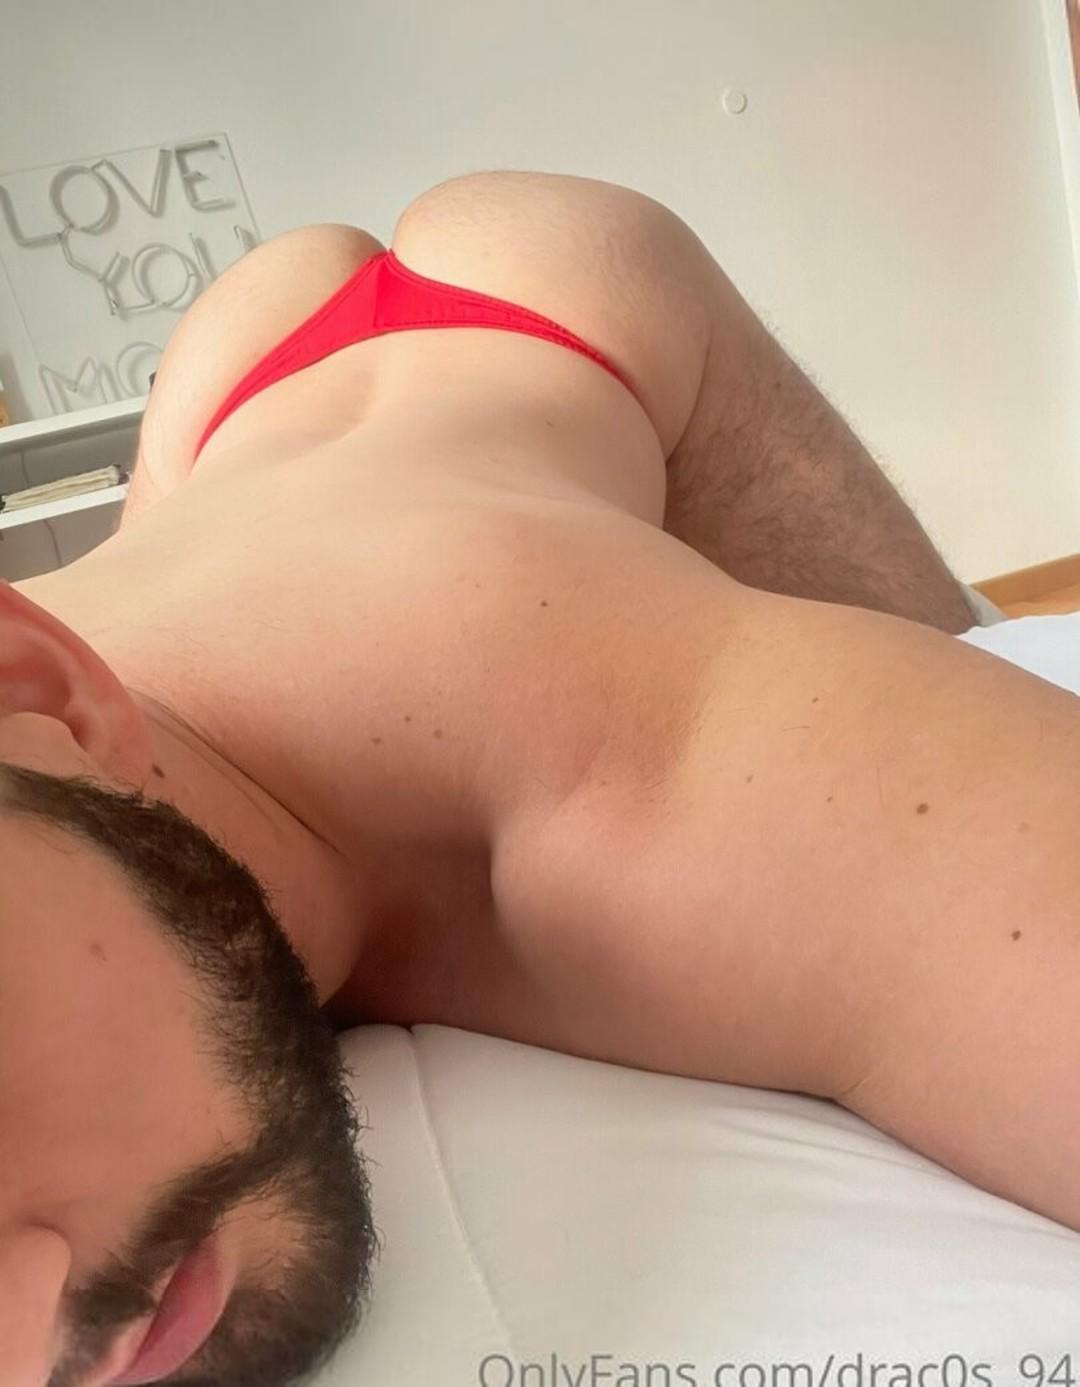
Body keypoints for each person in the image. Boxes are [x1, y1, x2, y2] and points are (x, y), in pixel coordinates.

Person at [2, 169, 1076, 1387]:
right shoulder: (45, 755)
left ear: (37, 693)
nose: (33, 1348)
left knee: (953, 640)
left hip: (560, 291)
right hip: (225, 391)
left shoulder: (652, 780)